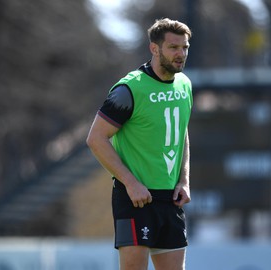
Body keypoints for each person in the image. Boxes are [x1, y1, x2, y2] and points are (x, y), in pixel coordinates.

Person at [86, 18, 193, 270]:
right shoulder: (129, 89)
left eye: (185, 47)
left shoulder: (185, 85)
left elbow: (181, 131)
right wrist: (131, 183)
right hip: (136, 199)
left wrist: (184, 180)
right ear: (154, 49)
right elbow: (96, 138)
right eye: (173, 47)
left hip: (171, 200)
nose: (181, 54)